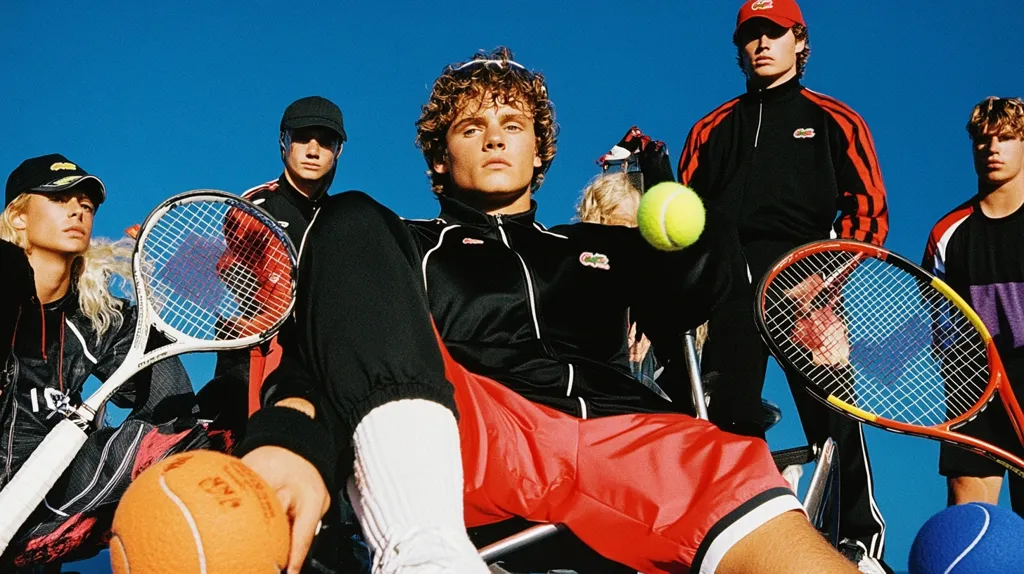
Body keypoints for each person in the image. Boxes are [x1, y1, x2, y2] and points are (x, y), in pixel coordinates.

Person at [235, 47, 860, 574]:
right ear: (439, 159)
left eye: (512, 122)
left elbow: (695, 292)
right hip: (473, 424)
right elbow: (335, 350)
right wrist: (293, 438)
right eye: (471, 127)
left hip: (634, 436)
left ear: (540, 152)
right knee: (347, 219)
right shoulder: (403, 242)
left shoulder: (599, 247)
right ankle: (423, 553)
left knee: (761, 506)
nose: (496, 136)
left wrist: (700, 234)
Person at [676, 1, 890, 569]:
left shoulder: (834, 119)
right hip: (729, 288)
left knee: (834, 417)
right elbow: (686, 219)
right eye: (751, 36)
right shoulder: (710, 129)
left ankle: (857, 542)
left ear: (800, 41)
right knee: (723, 422)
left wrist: (824, 278)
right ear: (739, 49)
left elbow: (868, 213)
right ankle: (726, 539)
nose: (762, 44)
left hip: (806, 281)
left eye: (774, 33)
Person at [0, 154, 207, 570]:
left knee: (191, 431)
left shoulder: (98, 319)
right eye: (60, 199)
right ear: (19, 218)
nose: (79, 210)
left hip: (43, 510)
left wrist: (157, 321)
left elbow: (167, 400)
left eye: (87, 205)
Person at [199, 95, 348, 440]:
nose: (313, 150)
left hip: (323, 365)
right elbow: (242, 278)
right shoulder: (256, 207)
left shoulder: (342, 218)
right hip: (258, 362)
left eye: (325, 141)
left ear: (338, 151)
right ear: (284, 142)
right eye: (302, 138)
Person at [922, 96, 1024, 515]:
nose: (992, 148)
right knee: (970, 521)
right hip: (975, 383)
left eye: (1006, 138)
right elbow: (940, 326)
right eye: (982, 140)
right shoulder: (948, 233)